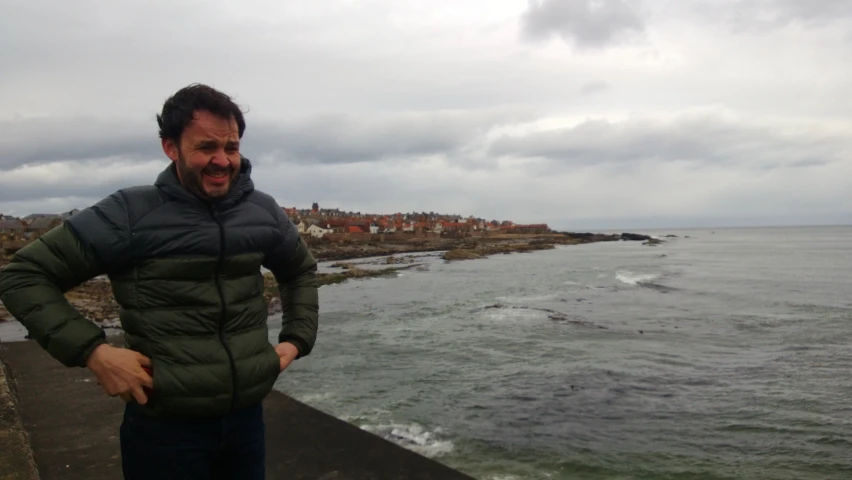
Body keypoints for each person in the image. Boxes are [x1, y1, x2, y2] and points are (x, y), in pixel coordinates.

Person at [0, 83, 319, 480]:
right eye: (206, 148)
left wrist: (296, 339)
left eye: (231, 147)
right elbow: (24, 276)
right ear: (171, 147)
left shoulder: (262, 211)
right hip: (164, 430)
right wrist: (94, 352)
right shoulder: (128, 214)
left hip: (245, 422)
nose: (222, 160)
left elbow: (299, 270)